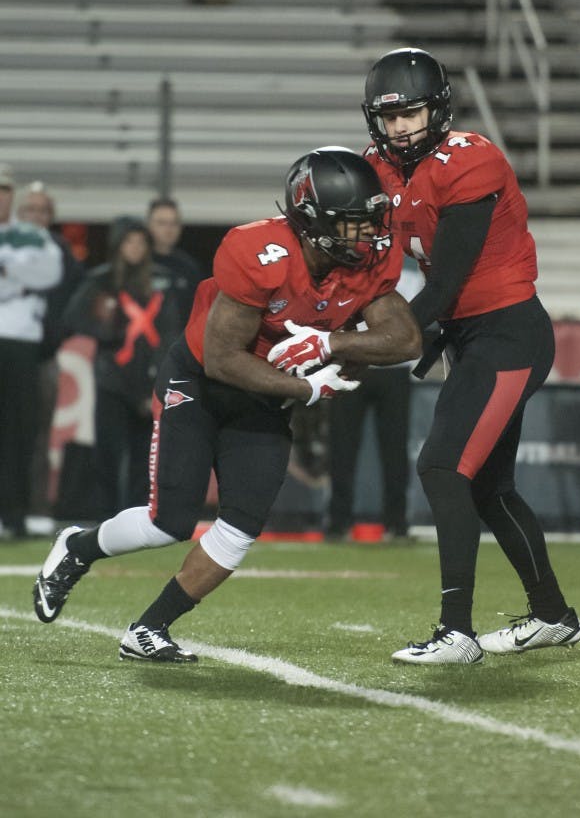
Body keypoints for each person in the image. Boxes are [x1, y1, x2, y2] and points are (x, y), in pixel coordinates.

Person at [33, 148, 421, 661]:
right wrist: (307, 389)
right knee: (167, 522)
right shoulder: (257, 251)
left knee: (240, 526)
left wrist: (332, 345)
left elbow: (405, 338)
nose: (367, 235)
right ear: (311, 221)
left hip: (264, 398)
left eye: (369, 221)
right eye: (353, 224)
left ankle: (149, 629)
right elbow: (221, 360)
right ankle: (78, 547)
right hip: (199, 383)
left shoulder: (366, 262)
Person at [361, 47, 580, 664]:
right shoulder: (377, 167)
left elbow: (446, 284)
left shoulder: (470, 160)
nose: (401, 126)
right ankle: (554, 616)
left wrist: (365, 339)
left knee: (440, 467)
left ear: (438, 109)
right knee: (489, 488)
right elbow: (378, 263)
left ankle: (456, 631)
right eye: (391, 116)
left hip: (507, 330)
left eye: (412, 113)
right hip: (468, 332)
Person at [60, 216, 182, 519]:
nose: (135, 248)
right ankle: (105, 517)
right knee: (108, 455)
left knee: (145, 458)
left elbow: (172, 330)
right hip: (112, 380)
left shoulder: (163, 280)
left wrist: (163, 373)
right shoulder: (101, 280)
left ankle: (136, 519)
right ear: (118, 246)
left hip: (149, 381)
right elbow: (73, 317)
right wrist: (106, 328)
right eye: (130, 241)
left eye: (141, 242)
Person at [325, 259, 424, 541]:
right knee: (343, 447)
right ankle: (340, 521)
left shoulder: (404, 271)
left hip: (387, 369)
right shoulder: (354, 269)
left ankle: (393, 522)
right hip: (358, 363)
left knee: (391, 450)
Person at [15, 182, 85, 523]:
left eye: (43, 211)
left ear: (51, 217)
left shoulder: (62, 253)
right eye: (30, 210)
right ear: (19, 214)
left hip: (42, 357)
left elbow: (76, 300)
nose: (36, 217)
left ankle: (35, 509)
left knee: (39, 434)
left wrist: (56, 335)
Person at [0, 166, 63, 539]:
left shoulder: (37, 240)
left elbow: (49, 275)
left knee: (22, 433)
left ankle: (15, 513)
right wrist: (17, 277)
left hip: (25, 344)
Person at [146, 196, 204, 330]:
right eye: (162, 223)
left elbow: (198, 313)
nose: (169, 229)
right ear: (149, 225)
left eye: (174, 223)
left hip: (177, 344)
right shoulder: (137, 264)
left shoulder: (189, 267)